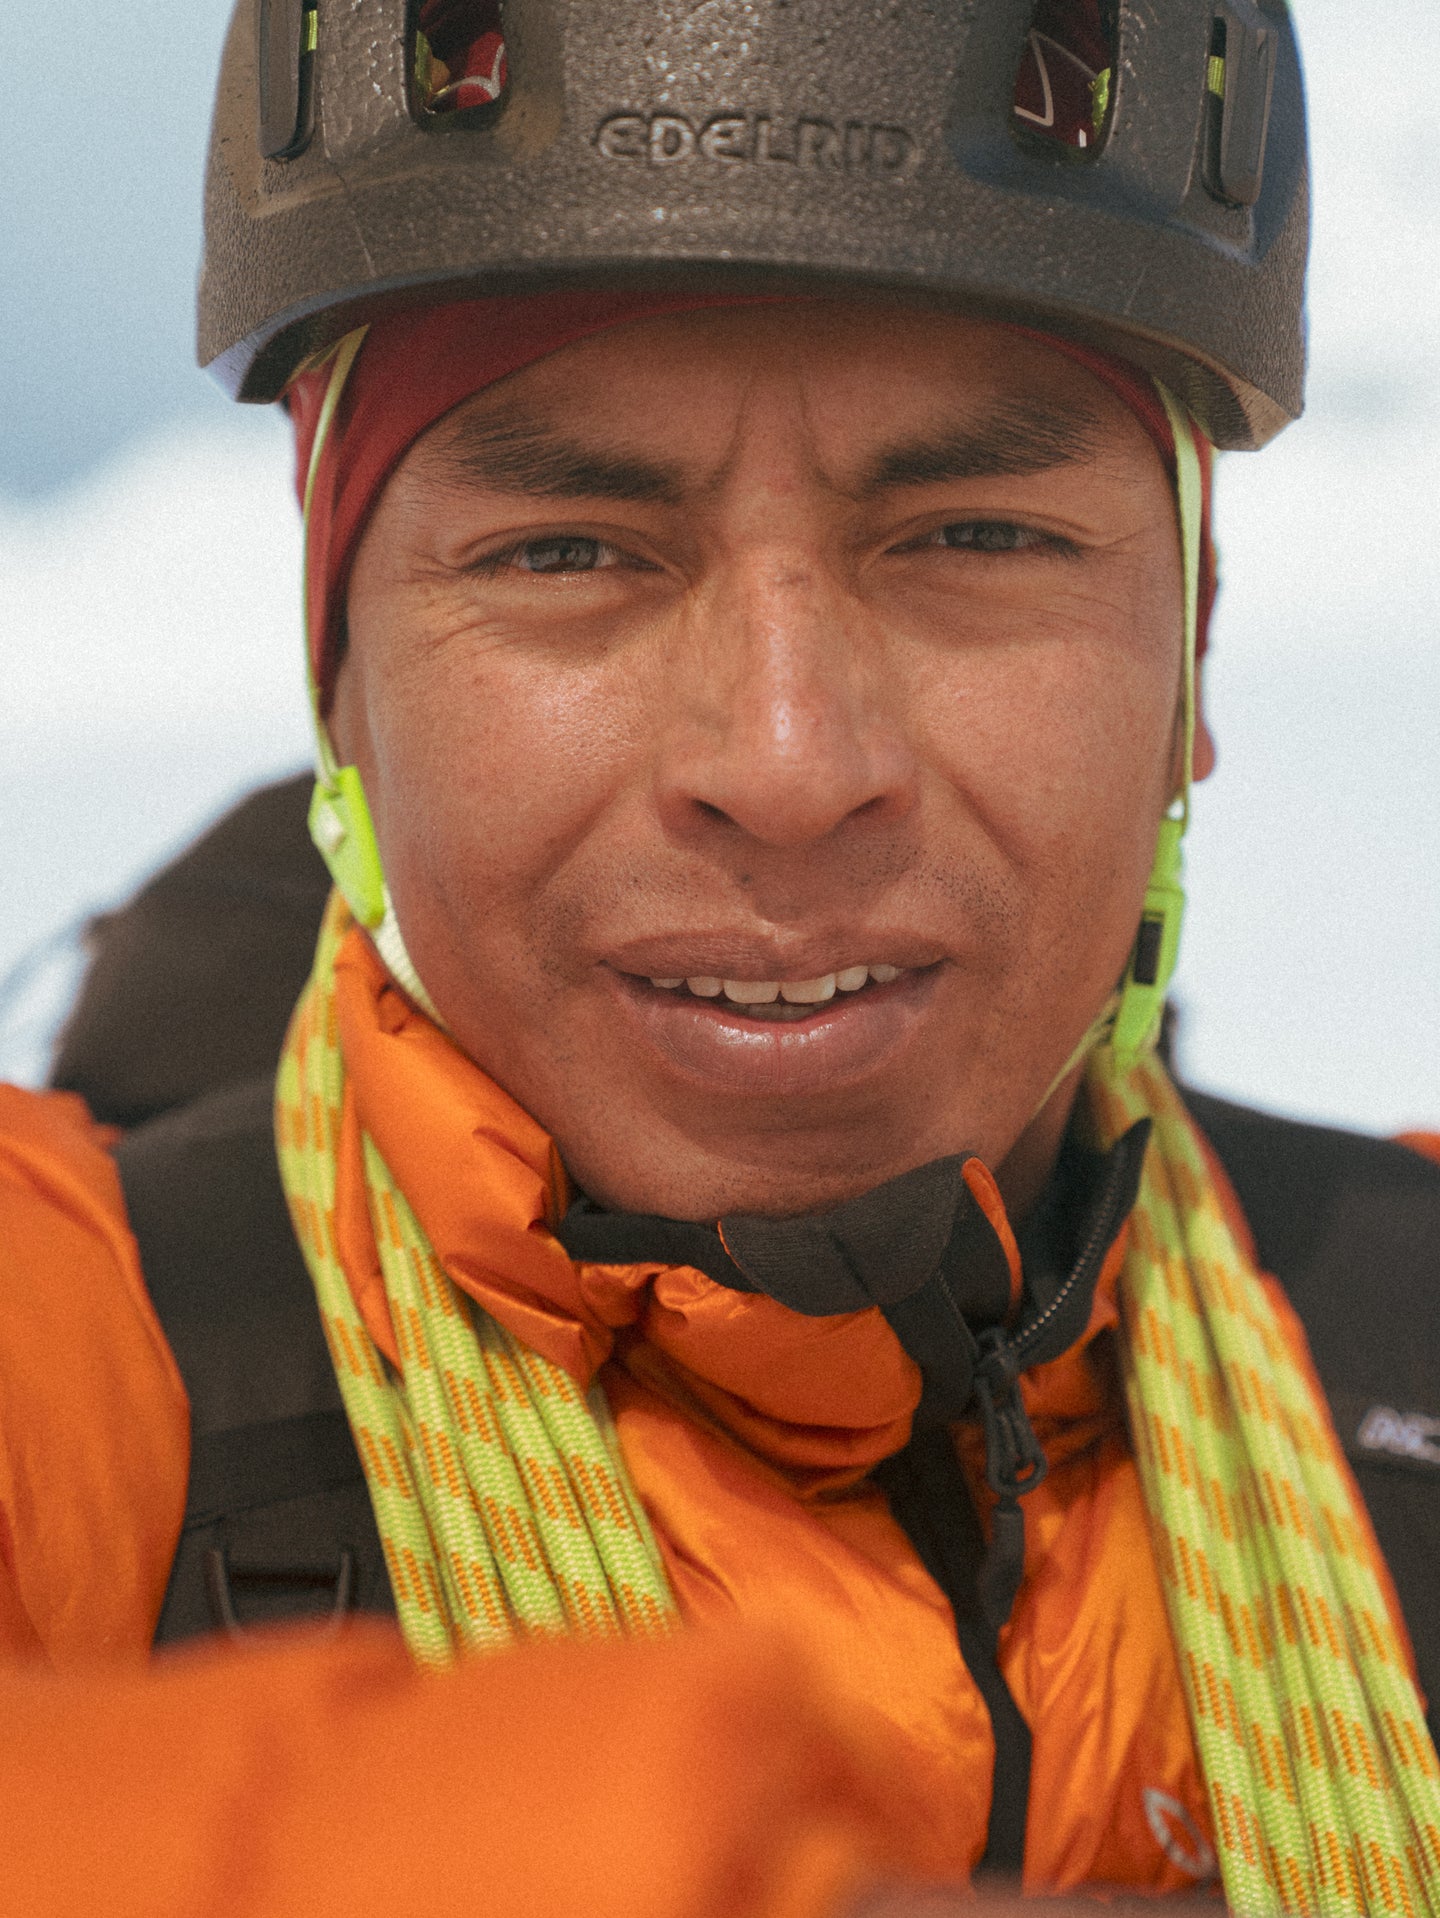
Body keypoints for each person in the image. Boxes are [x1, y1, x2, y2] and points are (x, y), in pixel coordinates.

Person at [2, 2, 1438, 1912]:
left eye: (978, 533)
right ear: (339, 671)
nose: (786, 764)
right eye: (567, 550)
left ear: (1193, 652)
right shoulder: (70, 1359)